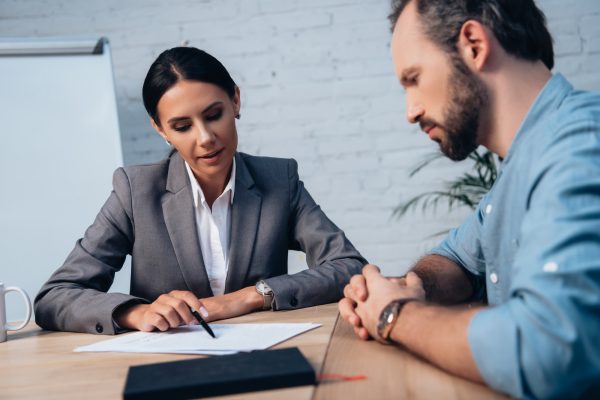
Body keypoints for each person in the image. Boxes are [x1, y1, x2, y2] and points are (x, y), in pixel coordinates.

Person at [339, 0, 600, 398]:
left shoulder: (579, 143)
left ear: (474, 45)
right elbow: (457, 260)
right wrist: (409, 287)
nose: (411, 111)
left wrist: (394, 315)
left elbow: (546, 349)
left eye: (413, 78)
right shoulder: (520, 165)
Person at [35, 47, 366, 335]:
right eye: (182, 126)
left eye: (214, 115)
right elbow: (56, 296)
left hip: (264, 354)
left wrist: (251, 296)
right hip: (168, 362)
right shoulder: (135, 193)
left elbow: (349, 266)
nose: (205, 137)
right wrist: (136, 313)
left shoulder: (280, 180)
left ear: (235, 100)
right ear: (160, 129)